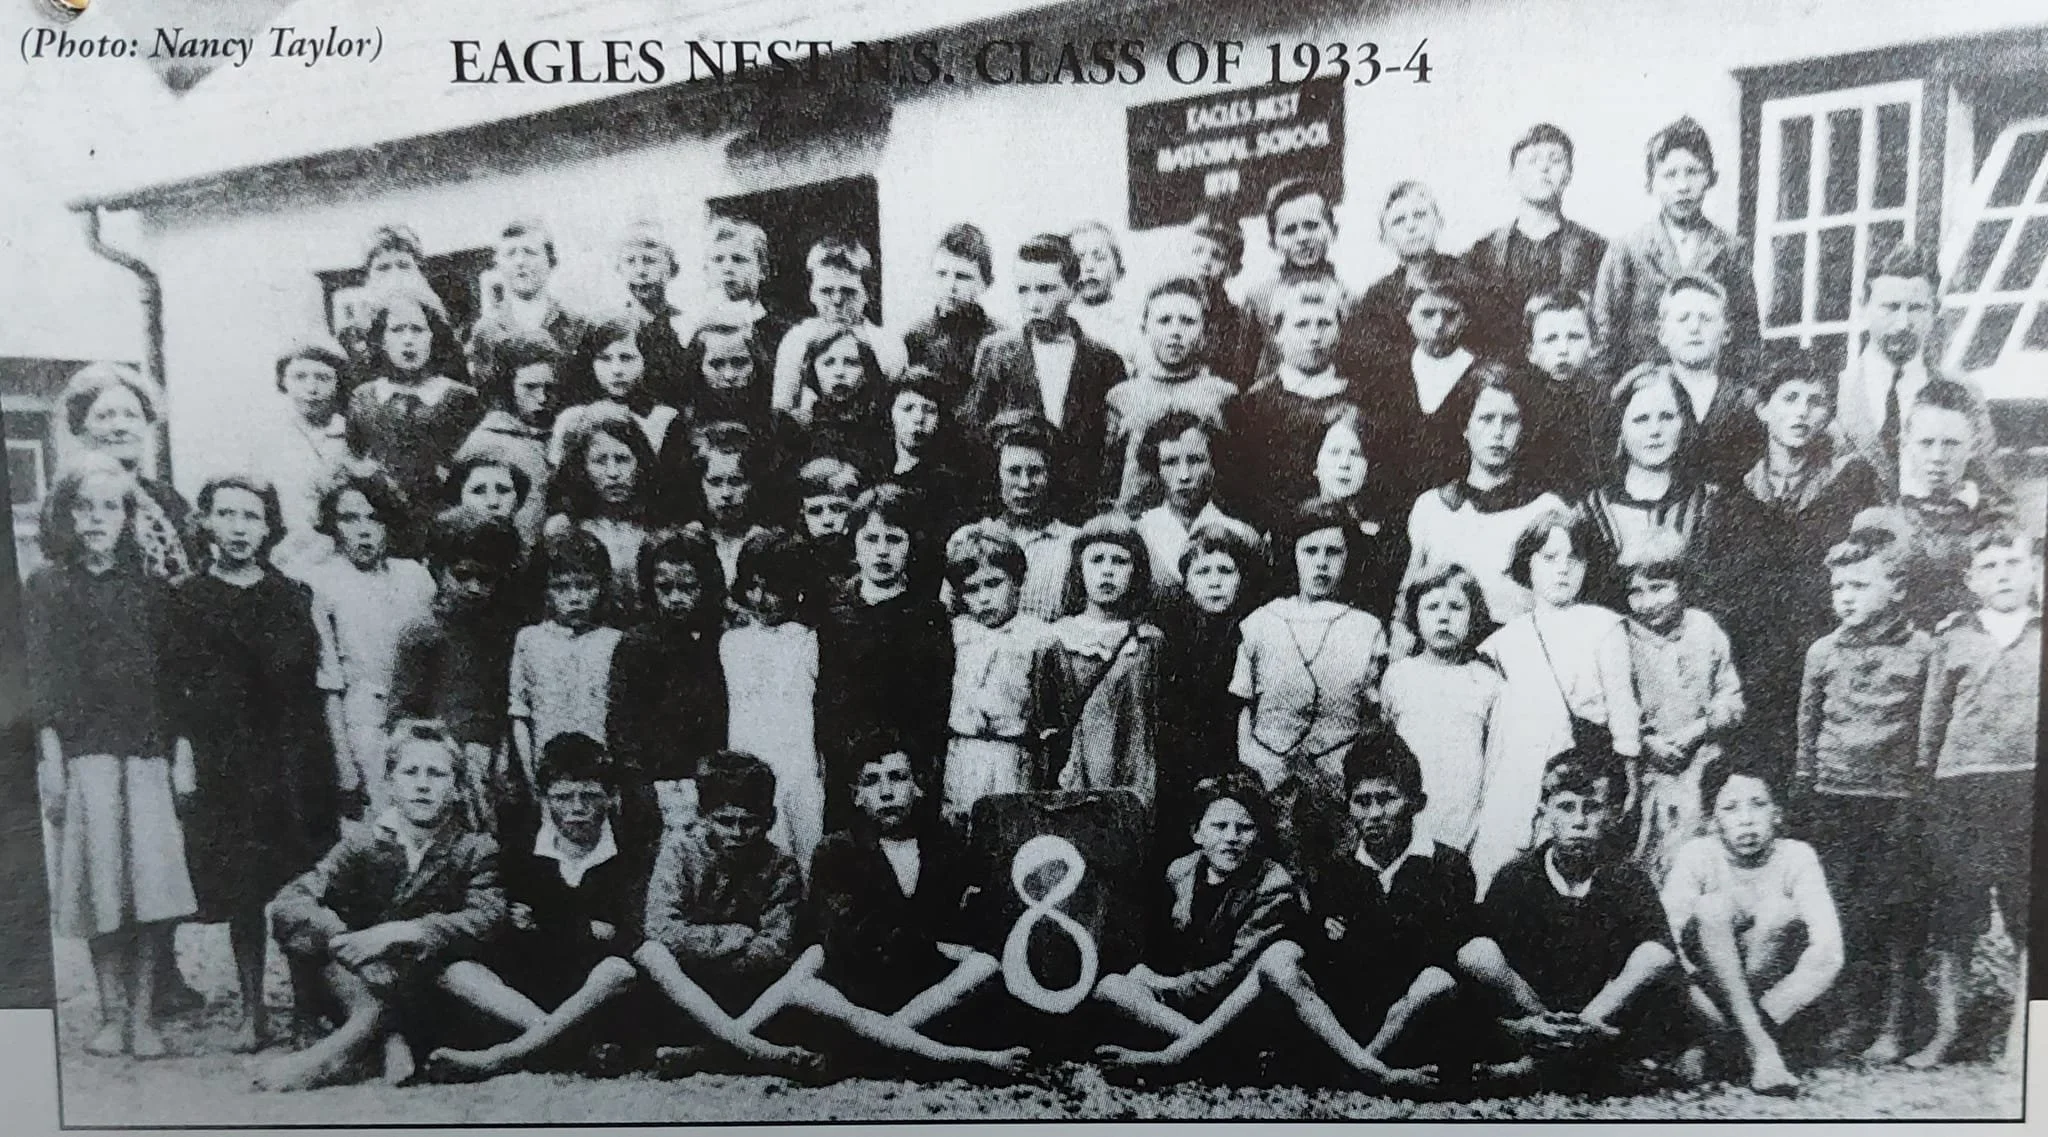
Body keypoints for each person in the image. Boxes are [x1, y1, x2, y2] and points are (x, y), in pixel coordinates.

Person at [27, 457, 199, 1059]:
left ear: (128, 518)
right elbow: (41, 683)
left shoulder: (152, 590)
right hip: (84, 759)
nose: (96, 518)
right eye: (84, 506)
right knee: (99, 887)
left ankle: (146, 1016)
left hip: (148, 756)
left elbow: (178, 682)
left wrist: (181, 755)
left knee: (151, 889)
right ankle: (110, 1014)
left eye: (110, 507)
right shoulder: (47, 586)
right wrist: (51, 761)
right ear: (66, 515)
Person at [165, 474, 340, 1055]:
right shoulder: (186, 598)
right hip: (226, 763)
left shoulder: (293, 596)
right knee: (243, 892)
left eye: (252, 517)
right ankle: (252, 1013)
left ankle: (308, 1010)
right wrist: (185, 759)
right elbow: (176, 690)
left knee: (299, 887)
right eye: (228, 515)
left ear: (268, 527)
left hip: (294, 760)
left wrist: (332, 765)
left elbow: (314, 686)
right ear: (208, 522)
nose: (239, 528)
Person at [744, 744, 1028, 1074]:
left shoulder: (945, 845)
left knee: (985, 965)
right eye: (871, 782)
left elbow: (966, 921)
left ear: (918, 787)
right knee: (812, 968)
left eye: (897, 778)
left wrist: (937, 944)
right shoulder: (837, 850)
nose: (886, 792)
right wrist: (931, 942)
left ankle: (878, 1042)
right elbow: (844, 933)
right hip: (865, 978)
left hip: (925, 986)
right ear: (856, 796)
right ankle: (893, 1044)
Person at [260, 724, 504, 1091]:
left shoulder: (474, 848)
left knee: (446, 969)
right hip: (364, 980)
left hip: (427, 985)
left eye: (436, 774)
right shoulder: (363, 844)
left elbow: (487, 915)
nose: (423, 785)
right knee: (325, 946)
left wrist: (405, 931)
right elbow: (290, 902)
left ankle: (341, 1052)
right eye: (410, 772)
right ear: (390, 783)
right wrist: (349, 942)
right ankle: (383, 1040)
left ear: (455, 789)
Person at [421, 734, 650, 1081]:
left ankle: (502, 1056)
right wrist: (586, 929)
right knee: (455, 972)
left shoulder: (632, 854)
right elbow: (502, 926)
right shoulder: (518, 849)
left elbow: (630, 936)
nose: (576, 808)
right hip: (530, 992)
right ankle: (569, 1045)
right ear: (544, 799)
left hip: (598, 994)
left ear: (612, 798)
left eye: (589, 796)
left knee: (618, 971)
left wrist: (547, 924)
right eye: (562, 797)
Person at [1794, 526, 1932, 1063]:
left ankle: (1898, 1025)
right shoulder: (1822, 652)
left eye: (1859, 584)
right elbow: (1807, 727)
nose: (1845, 597)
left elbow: (1927, 727)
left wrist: (1919, 793)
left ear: (1896, 588)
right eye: (1838, 588)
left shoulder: (1923, 649)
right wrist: (1806, 784)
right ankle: (1855, 1016)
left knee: (1898, 914)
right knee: (1846, 911)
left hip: (1896, 802)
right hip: (1834, 798)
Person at [1457, 751, 1681, 1083]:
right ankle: (1569, 1054)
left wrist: (1590, 1019)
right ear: (1544, 812)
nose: (1579, 821)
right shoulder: (1517, 877)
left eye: (1591, 809)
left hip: (1603, 1013)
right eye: (1566, 807)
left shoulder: (1626, 878)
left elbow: (1658, 955)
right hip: (1534, 1010)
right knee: (1477, 954)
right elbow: (1480, 957)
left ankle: (1544, 1064)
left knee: (1654, 958)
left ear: (1611, 815)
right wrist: (1537, 1019)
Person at [1910, 526, 2039, 1072]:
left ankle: (2025, 1038)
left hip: (2029, 784)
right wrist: (1928, 780)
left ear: (2033, 570)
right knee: (1954, 915)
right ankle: (1947, 1031)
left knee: (2027, 911)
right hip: (1961, 787)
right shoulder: (1953, 635)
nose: (2002, 575)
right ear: (1968, 580)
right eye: (1988, 566)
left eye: (2012, 563)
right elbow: (1932, 719)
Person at [1290, 735, 1481, 1087]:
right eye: (1362, 802)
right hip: (1357, 1015)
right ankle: (1367, 1066)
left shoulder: (1448, 867)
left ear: (1416, 803)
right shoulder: (1336, 873)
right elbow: (1327, 959)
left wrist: (1358, 935)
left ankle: (1359, 1070)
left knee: (1436, 983)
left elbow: (1440, 954)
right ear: (1347, 807)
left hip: (1419, 1019)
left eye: (1386, 800)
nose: (1374, 814)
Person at [1091, 771, 1308, 1070]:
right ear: (1197, 833)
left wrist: (1166, 985)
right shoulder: (1180, 872)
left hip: (1238, 1004)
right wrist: (1149, 978)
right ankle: (1215, 1052)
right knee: (1111, 987)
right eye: (1220, 826)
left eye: (1244, 828)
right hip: (1194, 999)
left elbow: (1236, 972)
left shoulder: (1273, 885)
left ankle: (1199, 1051)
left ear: (1258, 834)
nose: (1231, 837)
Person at [1472, 508, 1641, 888]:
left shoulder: (1604, 625)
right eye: (1549, 558)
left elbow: (1622, 709)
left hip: (1583, 767)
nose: (1562, 569)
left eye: (1574, 558)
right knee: (1507, 870)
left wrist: (1630, 780)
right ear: (1527, 564)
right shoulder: (1503, 641)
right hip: (1517, 773)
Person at [632, 749, 820, 1078]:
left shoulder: (781, 866)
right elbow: (660, 928)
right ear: (704, 816)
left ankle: (710, 1052)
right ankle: (750, 1049)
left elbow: (776, 946)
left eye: (748, 824)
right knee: (651, 955)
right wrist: (729, 936)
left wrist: (711, 950)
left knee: (809, 964)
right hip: (689, 985)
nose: (736, 833)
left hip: (749, 986)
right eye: (725, 821)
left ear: (770, 820)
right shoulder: (680, 852)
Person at [1661, 762, 1843, 1094]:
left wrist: (1765, 1014)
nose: (1746, 819)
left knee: (1780, 913)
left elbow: (1828, 950)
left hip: (1772, 1003)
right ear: (1713, 821)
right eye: (1730, 808)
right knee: (1712, 908)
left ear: (1777, 812)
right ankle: (1759, 1050)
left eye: (1758, 804)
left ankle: (1730, 1045)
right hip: (1707, 1001)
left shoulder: (1796, 856)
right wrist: (1706, 1011)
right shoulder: (1697, 855)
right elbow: (1668, 943)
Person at [961, 234, 1128, 521]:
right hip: (1013, 515)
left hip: (1080, 513)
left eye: (1045, 290)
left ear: (1073, 290)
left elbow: (1113, 449)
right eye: (1023, 291)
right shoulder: (997, 354)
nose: (1033, 303)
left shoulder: (1105, 362)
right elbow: (977, 439)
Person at [1233, 499, 1391, 799]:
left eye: (1333, 552)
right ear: (1293, 554)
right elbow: (1243, 707)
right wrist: (1255, 762)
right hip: (1266, 780)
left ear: (1348, 558)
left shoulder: (1367, 629)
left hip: (1338, 782)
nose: (1321, 562)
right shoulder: (1261, 622)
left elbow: (1373, 716)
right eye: (1310, 551)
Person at [817, 486, 955, 825]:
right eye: (871, 539)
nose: (882, 551)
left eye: (893, 540)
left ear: (910, 546)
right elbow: (825, 694)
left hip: (907, 763)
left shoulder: (928, 615)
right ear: (854, 543)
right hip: (848, 764)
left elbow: (936, 697)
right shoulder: (835, 612)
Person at [1591, 116, 1761, 382]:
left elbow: (1747, 335)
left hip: (1711, 389)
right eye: (1670, 175)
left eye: (1693, 172)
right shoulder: (1627, 250)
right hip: (1646, 393)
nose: (1683, 186)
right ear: (1651, 183)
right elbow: (1605, 336)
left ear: (1710, 178)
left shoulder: (1730, 250)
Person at [309, 474, 438, 819]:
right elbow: (329, 681)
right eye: (350, 519)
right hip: (362, 725)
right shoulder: (323, 583)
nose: (364, 530)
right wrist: (345, 765)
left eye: (374, 518)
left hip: (419, 722)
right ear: (333, 526)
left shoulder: (415, 577)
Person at [388, 507, 525, 827]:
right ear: (438, 571)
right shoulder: (422, 634)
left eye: (486, 578)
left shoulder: (504, 635)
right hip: (440, 763)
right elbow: (403, 713)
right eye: (462, 575)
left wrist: (499, 752)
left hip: (495, 763)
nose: (475, 587)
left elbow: (505, 703)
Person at [1619, 536, 1745, 881]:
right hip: (1649, 773)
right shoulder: (1621, 638)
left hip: (1702, 768)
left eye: (1659, 588)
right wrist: (1646, 741)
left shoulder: (1704, 628)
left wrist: (1699, 729)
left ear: (1682, 584)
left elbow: (1731, 699)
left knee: (1701, 861)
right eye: (1636, 592)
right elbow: (1614, 703)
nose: (1647, 603)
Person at [1404, 364, 1570, 623]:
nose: (1498, 432)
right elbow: (1406, 602)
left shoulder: (1546, 509)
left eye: (1510, 421)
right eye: (1486, 419)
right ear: (1466, 427)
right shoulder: (1432, 508)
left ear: (1523, 428)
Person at [1832, 243, 1995, 491]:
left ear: (1935, 311)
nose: (1903, 324)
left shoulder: (1966, 394)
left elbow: (1994, 497)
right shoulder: (1833, 392)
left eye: (1916, 309)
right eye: (1891, 307)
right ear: (1863, 306)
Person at [1859, 379, 2016, 631]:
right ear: (1905, 443)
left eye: (1951, 444)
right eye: (1926, 443)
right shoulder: (1879, 522)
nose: (1937, 458)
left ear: (1974, 446)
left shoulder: (1998, 521)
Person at [608, 529, 730, 844]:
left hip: (707, 778)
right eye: (665, 588)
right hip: (653, 783)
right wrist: (638, 784)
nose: (676, 598)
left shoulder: (720, 641)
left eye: (688, 588)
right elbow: (623, 721)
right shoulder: (636, 643)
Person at [1155, 521, 1266, 844]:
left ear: (1241, 579)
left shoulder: (1253, 632)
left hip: (1237, 765)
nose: (1215, 582)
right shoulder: (1170, 638)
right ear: (1187, 582)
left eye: (1225, 571)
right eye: (1203, 572)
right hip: (1181, 772)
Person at [722, 529, 824, 875]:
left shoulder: (812, 642)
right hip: (749, 762)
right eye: (753, 586)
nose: (761, 598)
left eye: (773, 588)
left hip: (800, 768)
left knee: (805, 855)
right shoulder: (731, 644)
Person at [1381, 564, 1503, 853]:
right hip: (1408, 819)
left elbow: (1495, 760)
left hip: (1465, 821)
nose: (1444, 617)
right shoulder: (1399, 676)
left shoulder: (1488, 682)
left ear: (1473, 616)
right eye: (1432, 607)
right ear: (1415, 616)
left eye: (1456, 607)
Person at [941, 523, 1057, 820]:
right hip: (962, 755)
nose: (983, 597)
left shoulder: (1038, 637)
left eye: (994, 583)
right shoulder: (956, 634)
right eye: (972, 589)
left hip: (1014, 757)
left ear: (1017, 582)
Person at [1360, 257, 1499, 507]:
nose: (1438, 324)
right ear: (1409, 318)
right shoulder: (1388, 377)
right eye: (1427, 314)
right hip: (1396, 506)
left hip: (1464, 506)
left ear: (1466, 318)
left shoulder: (1484, 377)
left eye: (1450, 315)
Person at [1226, 280, 1357, 535]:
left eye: (1325, 324)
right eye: (1301, 324)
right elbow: (1240, 492)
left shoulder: (1359, 399)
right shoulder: (1252, 405)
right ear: (1278, 334)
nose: (1314, 336)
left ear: (1340, 330)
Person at [1048, 513, 1164, 802]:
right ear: (1079, 568)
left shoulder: (1147, 641)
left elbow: (1151, 722)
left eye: (1120, 561)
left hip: (1129, 776)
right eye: (1097, 560)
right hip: (1069, 774)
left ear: (1136, 571)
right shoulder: (1057, 637)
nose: (1107, 571)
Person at [509, 530, 625, 816]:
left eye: (585, 586)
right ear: (546, 590)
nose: (574, 597)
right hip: (547, 774)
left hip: (601, 775)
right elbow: (520, 715)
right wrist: (532, 777)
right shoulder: (529, 640)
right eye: (562, 587)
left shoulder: (615, 641)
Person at [345, 283, 482, 523]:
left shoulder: (461, 398)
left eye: (417, 330)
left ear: (434, 336)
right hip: (383, 521)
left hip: (447, 519)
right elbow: (356, 459)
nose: (408, 340)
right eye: (397, 330)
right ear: (382, 339)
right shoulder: (363, 398)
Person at [1101, 278, 1237, 511]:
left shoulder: (1223, 395)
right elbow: (1108, 477)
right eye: (1164, 321)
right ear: (1145, 327)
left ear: (1204, 330)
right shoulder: (1121, 397)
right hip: (1136, 522)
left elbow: (1233, 473)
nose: (1175, 331)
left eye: (1187, 322)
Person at [1464, 124, 1609, 343]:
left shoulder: (1595, 248)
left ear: (1569, 173)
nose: (1544, 168)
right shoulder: (1484, 251)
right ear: (1512, 174)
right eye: (1532, 161)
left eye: (1555, 160)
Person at [54, 363, 196, 583]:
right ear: (80, 427)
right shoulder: (70, 498)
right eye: (104, 417)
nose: (120, 427)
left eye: (131, 416)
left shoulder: (168, 500)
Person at [1642, 275, 1761, 487]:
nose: (1694, 328)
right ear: (1662, 333)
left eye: (1706, 318)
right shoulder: (1643, 393)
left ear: (1727, 333)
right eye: (1683, 318)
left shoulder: (1746, 401)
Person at [771, 237, 908, 415]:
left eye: (848, 292)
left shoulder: (887, 343)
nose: (837, 301)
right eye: (826, 291)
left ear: (867, 293)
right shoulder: (797, 340)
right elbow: (782, 409)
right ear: (812, 293)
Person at [457, 330, 562, 551]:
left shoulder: (557, 435)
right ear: (508, 387)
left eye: (549, 388)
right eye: (530, 387)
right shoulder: (486, 442)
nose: (542, 398)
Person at [544, 417, 660, 616]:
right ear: (582, 468)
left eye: (622, 460)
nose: (613, 473)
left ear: (640, 463)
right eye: (599, 461)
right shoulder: (567, 529)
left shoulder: (656, 529)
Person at [1307, 403, 1410, 621]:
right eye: (1335, 452)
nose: (1344, 464)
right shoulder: (1295, 525)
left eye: (1356, 454)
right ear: (1315, 461)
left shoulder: (1388, 534)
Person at [1347, 181, 1464, 370]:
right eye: (1398, 221)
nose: (1411, 226)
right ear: (1384, 237)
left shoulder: (1468, 279)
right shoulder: (1378, 298)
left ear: (1439, 221)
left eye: (1420, 215)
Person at [970, 414, 1077, 622]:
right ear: (997, 475)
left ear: (1050, 476)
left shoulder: (1072, 544)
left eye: (1035, 472)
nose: (1025, 483)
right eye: (1014, 471)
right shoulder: (973, 538)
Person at [264, 338, 354, 578]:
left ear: (338, 383)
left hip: (346, 558)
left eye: (323, 378)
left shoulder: (352, 435)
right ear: (283, 381)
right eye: (300, 377)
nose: (311, 388)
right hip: (286, 555)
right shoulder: (269, 438)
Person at [1239, 177, 1352, 364]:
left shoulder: (1349, 297)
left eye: (1311, 225)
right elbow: (1245, 369)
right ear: (1273, 243)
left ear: (1333, 230)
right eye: (1289, 230)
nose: (1302, 238)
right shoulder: (1259, 299)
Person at [1131, 412, 1247, 592]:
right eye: (1170, 462)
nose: (1184, 475)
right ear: (1156, 470)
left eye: (1195, 460)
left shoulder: (1241, 535)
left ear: (1213, 466)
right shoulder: (1139, 534)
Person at [465, 218, 591, 381]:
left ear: (551, 261)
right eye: (510, 254)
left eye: (530, 252)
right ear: (499, 265)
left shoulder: (575, 322)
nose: (520, 262)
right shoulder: (486, 330)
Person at [550, 315, 679, 462]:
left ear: (646, 360)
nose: (616, 370)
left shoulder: (663, 418)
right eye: (604, 359)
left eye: (626, 358)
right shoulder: (572, 418)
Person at [903, 223, 1001, 412]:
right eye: (941, 274)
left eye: (962, 277)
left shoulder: (999, 340)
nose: (950, 286)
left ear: (986, 283)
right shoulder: (916, 337)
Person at [1520, 289, 1604, 496]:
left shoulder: (1605, 401)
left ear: (1593, 345)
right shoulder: (1522, 405)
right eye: (1550, 339)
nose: (1563, 349)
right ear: (1531, 352)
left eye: (1574, 337)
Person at [781, 326, 892, 479]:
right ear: (813, 371)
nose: (839, 372)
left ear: (867, 371)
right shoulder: (799, 428)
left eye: (851, 363)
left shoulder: (883, 426)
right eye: (828, 363)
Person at [682, 423, 773, 588]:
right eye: (715, 482)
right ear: (701, 484)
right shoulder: (687, 539)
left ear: (752, 484)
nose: (726, 493)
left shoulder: (768, 542)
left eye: (736, 481)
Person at [700, 216, 793, 373]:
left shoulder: (784, 332)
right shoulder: (696, 329)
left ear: (763, 270)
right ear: (706, 271)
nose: (727, 268)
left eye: (738, 259)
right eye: (718, 260)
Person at [613, 220, 691, 408]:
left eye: (650, 260)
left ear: (672, 269)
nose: (640, 271)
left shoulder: (684, 325)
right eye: (630, 261)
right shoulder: (612, 327)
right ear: (619, 269)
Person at [1185, 212, 1261, 386]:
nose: (1205, 262)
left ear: (1233, 267)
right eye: (1197, 251)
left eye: (1216, 255)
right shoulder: (1171, 311)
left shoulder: (1241, 321)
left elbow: (1243, 377)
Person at [1068, 219, 1140, 366]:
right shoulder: (1063, 316)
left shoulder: (1131, 318)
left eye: (1099, 258)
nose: (1088, 267)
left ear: (1119, 270)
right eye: (1078, 259)